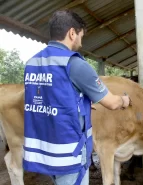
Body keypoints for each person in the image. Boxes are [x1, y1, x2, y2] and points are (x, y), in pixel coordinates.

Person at [23, 10, 131, 185]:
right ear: (72, 33)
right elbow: (111, 103)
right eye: (81, 36)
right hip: (68, 154)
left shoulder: (32, 63)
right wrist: (124, 100)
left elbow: (53, 97)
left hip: (44, 152)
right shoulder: (75, 64)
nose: (81, 42)